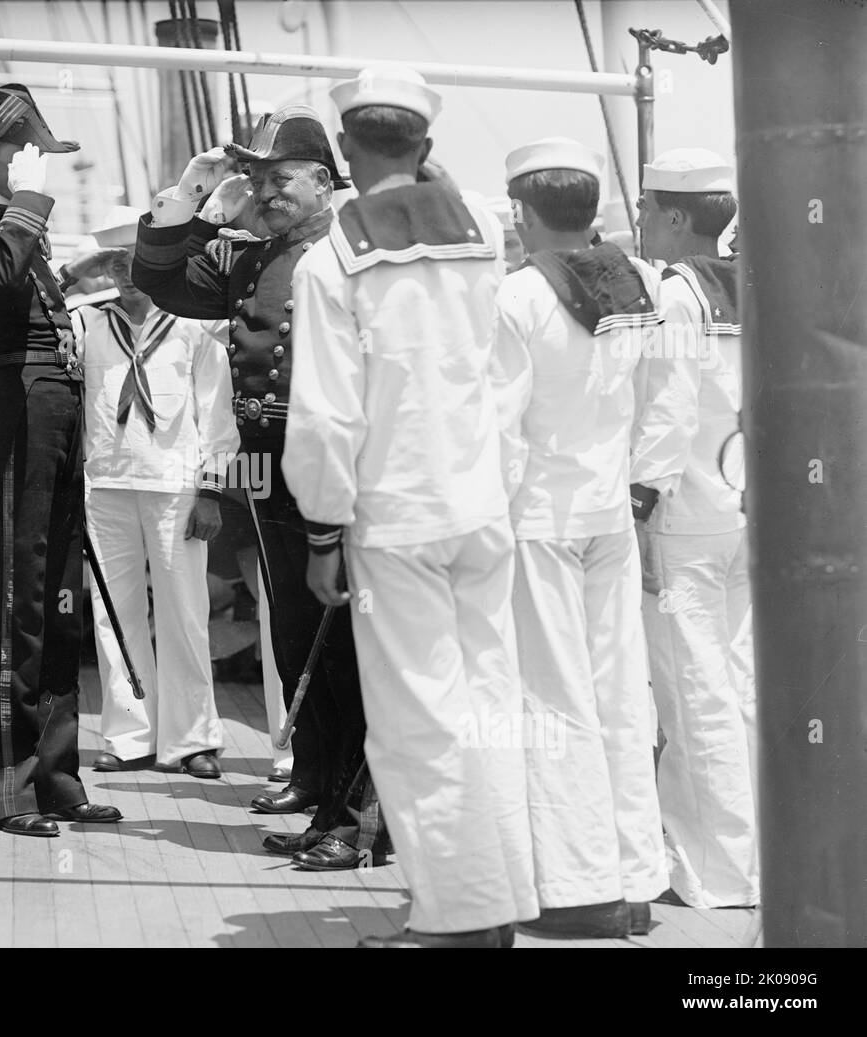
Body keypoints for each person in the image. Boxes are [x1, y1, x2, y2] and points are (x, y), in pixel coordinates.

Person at [283, 65, 534, 948]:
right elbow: (506, 381)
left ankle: (459, 916)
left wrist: (321, 530)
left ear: (345, 152)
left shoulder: (329, 261)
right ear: (425, 147)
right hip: (480, 506)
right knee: (489, 705)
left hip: (396, 519)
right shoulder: (485, 241)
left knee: (416, 724)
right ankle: (494, 895)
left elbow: (324, 416)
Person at [133, 105, 385, 871]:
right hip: (265, 466)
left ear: (323, 180)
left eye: (281, 178)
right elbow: (159, 277)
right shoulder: (245, 253)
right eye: (259, 178)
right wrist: (194, 192)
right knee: (291, 629)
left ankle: (352, 814)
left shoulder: (348, 255)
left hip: (329, 461)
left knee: (337, 646)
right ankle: (312, 778)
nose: (268, 192)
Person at [0, 85, 121, 837]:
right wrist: (32, 205)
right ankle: (6, 784)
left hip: (58, 417)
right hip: (16, 418)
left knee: (59, 599)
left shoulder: (23, 235)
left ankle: (56, 774)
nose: (35, 167)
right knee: (15, 605)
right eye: (22, 152)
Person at [492, 137, 668, 937]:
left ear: (523, 212)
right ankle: (635, 876)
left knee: (553, 701)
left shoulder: (518, 297)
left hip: (539, 519)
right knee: (620, 696)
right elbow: (664, 401)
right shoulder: (639, 285)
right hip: (609, 515)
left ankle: (575, 887)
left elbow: (501, 426)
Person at [69, 206, 239, 777]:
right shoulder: (86, 324)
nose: (125, 272)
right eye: (114, 262)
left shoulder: (195, 324)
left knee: (185, 614)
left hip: (177, 487)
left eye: (135, 260)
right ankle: (130, 735)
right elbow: (34, 296)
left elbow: (217, 412)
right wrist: (75, 270)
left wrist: (213, 489)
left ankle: (193, 740)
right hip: (108, 483)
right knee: (112, 614)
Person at [630, 148, 756, 908]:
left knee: (692, 692)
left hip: (685, 521)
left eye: (647, 209)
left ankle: (712, 873)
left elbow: (668, 411)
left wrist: (641, 512)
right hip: (743, 514)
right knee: (737, 688)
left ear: (677, 216)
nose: (641, 221)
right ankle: (750, 858)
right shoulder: (756, 284)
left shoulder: (680, 296)